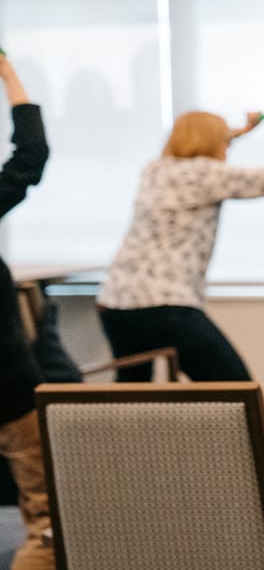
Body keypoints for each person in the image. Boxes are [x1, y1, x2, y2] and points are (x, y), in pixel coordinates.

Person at [97, 107, 264, 380]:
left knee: (133, 395)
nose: (227, 148)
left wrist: (241, 132)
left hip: (115, 304)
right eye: (225, 142)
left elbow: (201, 146)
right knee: (235, 389)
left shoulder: (155, 169)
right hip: (165, 305)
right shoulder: (207, 173)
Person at [0, 55, 54, 570]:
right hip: (7, 380)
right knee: (45, 517)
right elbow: (31, 154)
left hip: (8, 377)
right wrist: (10, 77)